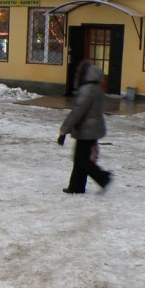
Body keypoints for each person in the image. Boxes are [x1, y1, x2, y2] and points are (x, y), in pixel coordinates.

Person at [57, 60, 113, 194]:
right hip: (92, 129)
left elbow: (77, 112)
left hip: (87, 130)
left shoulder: (87, 90)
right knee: (80, 159)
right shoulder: (95, 88)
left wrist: (63, 130)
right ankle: (77, 187)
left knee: (81, 160)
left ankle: (103, 177)